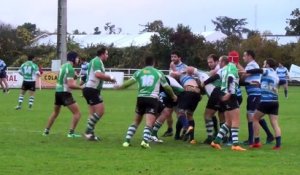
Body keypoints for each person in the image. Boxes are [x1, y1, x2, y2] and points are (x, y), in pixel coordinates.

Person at [117, 56, 177, 148]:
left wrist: (120, 87)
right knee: (149, 122)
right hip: (152, 99)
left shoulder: (139, 72)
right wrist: (173, 95)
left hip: (140, 98)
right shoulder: (158, 73)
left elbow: (128, 83)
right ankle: (145, 141)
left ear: (145, 63)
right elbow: (167, 87)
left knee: (136, 121)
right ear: (154, 63)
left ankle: (127, 141)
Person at [210, 56, 246, 151]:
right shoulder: (232, 67)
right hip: (230, 95)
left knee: (228, 122)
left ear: (222, 62)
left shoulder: (222, 70)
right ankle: (235, 144)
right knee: (236, 120)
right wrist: (229, 92)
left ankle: (216, 141)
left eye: (219, 62)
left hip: (222, 94)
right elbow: (231, 78)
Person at [244, 58, 282, 150]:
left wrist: (245, 71)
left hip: (265, 101)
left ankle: (257, 141)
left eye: (264, 63)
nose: (263, 65)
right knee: (275, 123)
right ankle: (278, 145)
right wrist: (258, 84)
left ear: (268, 65)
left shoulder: (267, 70)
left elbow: (258, 70)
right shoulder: (276, 75)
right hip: (275, 102)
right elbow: (271, 86)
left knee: (254, 118)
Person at [43, 51, 82, 138]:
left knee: (55, 112)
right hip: (65, 93)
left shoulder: (63, 66)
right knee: (77, 113)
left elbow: (65, 78)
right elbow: (71, 85)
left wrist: (74, 77)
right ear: (73, 58)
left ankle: (46, 131)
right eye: (77, 58)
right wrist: (82, 88)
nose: (78, 59)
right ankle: (71, 133)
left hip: (58, 92)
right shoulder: (70, 69)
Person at [82, 47, 116, 141]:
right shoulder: (97, 61)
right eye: (107, 54)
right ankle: (88, 131)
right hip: (91, 89)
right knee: (100, 111)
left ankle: (90, 135)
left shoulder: (96, 61)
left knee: (92, 113)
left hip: (91, 89)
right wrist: (110, 78)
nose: (107, 56)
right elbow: (98, 75)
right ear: (102, 54)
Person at [241, 50, 274, 145]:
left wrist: (238, 66)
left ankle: (251, 140)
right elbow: (244, 76)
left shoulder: (252, 65)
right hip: (253, 94)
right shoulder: (250, 65)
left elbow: (244, 75)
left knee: (251, 115)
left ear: (249, 56)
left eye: (244, 56)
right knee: (254, 116)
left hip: (254, 94)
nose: (243, 57)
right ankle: (269, 135)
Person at [169, 51, 201, 144]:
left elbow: (174, 75)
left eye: (175, 57)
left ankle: (187, 127)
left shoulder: (183, 69)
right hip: (196, 92)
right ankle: (192, 139)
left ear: (180, 58)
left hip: (188, 91)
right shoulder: (186, 71)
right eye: (172, 57)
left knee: (180, 112)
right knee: (190, 115)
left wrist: (173, 67)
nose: (173, 59)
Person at [151, 75, 184, 142]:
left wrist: (173, 96)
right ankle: (152, 133)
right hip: (171, 94)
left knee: (177, 114)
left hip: (177, 94)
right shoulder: (158, 78)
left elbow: (168, 88)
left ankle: (184, 131)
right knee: (165, 112)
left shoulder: (161, 78)